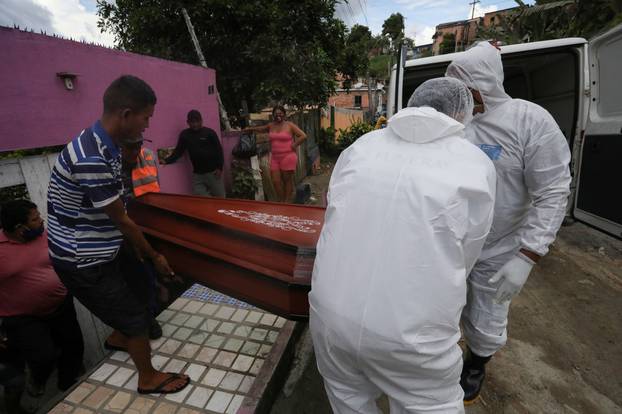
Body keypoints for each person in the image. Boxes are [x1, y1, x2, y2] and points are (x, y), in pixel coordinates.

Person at [309, 77, 497, 414]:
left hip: (330, 316)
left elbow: (335, 215)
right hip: (412, 336)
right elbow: (466, 256)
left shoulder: (361, 147)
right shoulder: (474, 163)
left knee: (348, 399)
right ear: (462, 115)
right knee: (429, 405)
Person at [47, 75, 190, 395]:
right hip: (82, 259)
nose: (146, 126)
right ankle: (147, 377)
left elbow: (116, 210)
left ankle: (118, 336)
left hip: (101, 245)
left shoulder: (105, 143)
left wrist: (140, 251)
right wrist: (154, 255)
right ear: (126, 114)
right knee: (136, 318)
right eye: (146, 118)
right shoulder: (92, 157)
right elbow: (122, 220)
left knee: (138, 286)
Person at [445, 42, 572, 404]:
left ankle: (476, 362)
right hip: (450, 241)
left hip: (498, 246)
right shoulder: (456, 119)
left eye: (466, 88)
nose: (462, 97)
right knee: (442, 305)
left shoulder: (529, 120)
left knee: (487, 311)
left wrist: (528, 255)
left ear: (485, 82)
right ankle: (445, 357)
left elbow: (552, 191)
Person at [0, 200, 84, 397]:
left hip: (60, 306)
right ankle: (37, 381)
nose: (41, 220)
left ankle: (67, 387)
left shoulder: (44, 234)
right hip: (22, 316)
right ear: (20, 228)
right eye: (35, 218)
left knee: (74, 348)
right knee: (43, 356)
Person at [120, 137, 163, 340]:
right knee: (138, 268)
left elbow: (156, 184)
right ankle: (149, 316)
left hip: (151, 216)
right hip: (127, 224)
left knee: (152, 261)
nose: (136, 150)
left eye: (138, 145)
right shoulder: (113, 165)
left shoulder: (148, 155)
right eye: (131, 146)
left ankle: (157, 296)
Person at [244, 106, 307, 202]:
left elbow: (303, 136)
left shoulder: (289, 125)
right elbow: (261, 128)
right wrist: (251, 129)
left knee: (287, 180)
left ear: (284, 114)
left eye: (280, 113)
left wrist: (294, 145)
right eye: (276, 114)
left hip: (288, 156)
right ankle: (281, 201)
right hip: (275, 158)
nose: (278, 115)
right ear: (273, 115)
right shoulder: (271, 126)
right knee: (276, 181)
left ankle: (286, 203)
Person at [162, 109, 225, 197]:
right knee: (201, 198)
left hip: (213, 173)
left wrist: (220, 168)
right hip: (198, 175)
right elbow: (179, 151)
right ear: (188, 122)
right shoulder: (185, 135)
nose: (195, 124)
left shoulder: (210, 133)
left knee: (221, 197)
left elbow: (219, 150)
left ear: (201, 121)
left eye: (197, 121)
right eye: (192, 122)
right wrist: (167, 161)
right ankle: (209, 209)